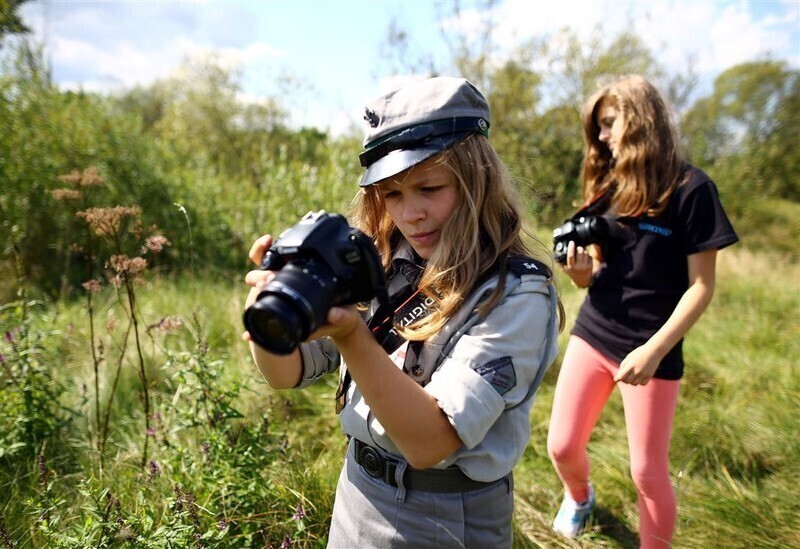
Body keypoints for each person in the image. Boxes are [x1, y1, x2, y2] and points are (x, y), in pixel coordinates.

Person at [243, 76, 562, 547]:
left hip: (445, 517)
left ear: (478, 179)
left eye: (429, 188)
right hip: (356, 493)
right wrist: (272, 312)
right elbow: (287, 373)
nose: (409, 213)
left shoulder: (515, 295)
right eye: (392, 194)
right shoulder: (385, 260)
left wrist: (352, 335)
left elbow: (428, 442)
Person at [546, 74, 739, 547]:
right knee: (561, 445)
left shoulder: (694, 190)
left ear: (641, 118)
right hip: (595, 331)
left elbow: (701, 287)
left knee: (647, 472)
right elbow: (600, 267)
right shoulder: (611, 186)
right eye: (599, 128)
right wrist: (582, 276)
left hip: (653, 347)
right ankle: (580, 497)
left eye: (610, 124)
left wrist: (653, 350)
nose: (603, 137)